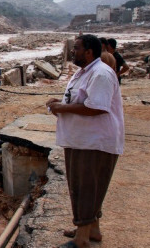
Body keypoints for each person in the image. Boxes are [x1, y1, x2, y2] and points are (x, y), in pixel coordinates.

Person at [46, 34, 124, 248]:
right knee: (83, 186)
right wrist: (59, 103)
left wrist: (62, 107)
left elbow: (96, 107)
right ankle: (92, 229)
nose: (73, 51)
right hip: (80, 139)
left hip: (94, 141)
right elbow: (77, 101)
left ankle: (81, 239)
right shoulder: (84, 73)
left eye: (77, 48)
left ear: (89, 51)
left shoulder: (101, 74)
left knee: (87, 187)